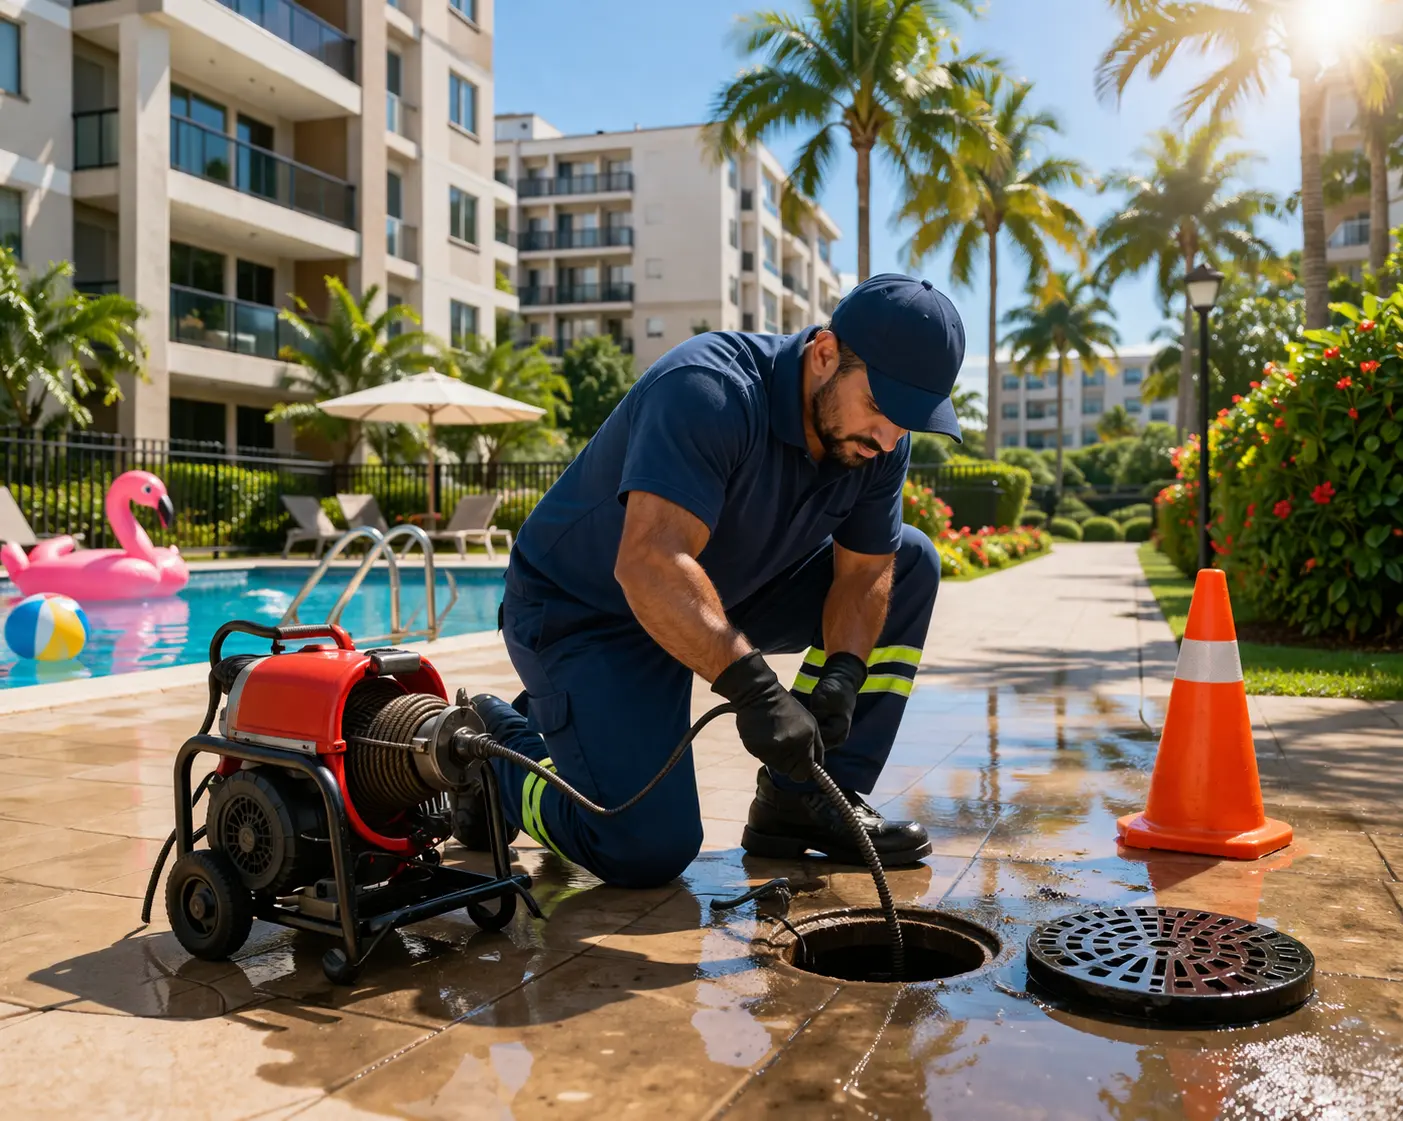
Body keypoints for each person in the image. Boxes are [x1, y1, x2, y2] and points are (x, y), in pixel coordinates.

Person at [452, 273, 965, 888]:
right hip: (586, 613)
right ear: (825, 355)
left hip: (722, 593)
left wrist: (844, 677)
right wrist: (756, 692)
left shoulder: (877, 442)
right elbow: (649, 564)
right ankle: (502, 750)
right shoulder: (709, 389)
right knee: (642, 846)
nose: (889, 438)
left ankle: (805, 802)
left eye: (909, 420)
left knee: (909, 560)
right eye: (881, 408)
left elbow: (866, 572)